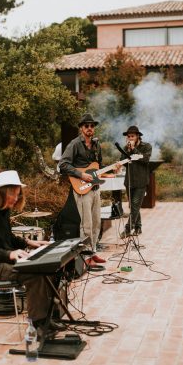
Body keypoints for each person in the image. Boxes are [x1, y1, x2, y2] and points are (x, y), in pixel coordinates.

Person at [0, 170, 63, 335]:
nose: (16, 198)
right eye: (13, 194)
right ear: (2, 192)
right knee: (34, 274)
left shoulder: (2, 211)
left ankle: (48, 318)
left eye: (18, 194)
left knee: (48, 268)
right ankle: (38, 324)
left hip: (1, 262)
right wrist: (9, 255)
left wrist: (29, 242)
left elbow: (9, 237)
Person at [59, 113, 106, 264]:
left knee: (96, 222)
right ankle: (85, 257)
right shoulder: (74, 144)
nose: (90, 128)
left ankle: (92, 252)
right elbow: (63, 164)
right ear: (81, 128)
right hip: (81, 189)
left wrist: (113, 170)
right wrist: (81, 175)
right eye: (87, 126)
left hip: (95, 188)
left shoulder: (97, 145)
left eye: (92, 126)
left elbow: (99, 166)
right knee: (85, 224)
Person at [118, 125, 152, 237]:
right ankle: (138, 227)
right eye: (128, 136)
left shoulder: (146, 146)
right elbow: (122, 161)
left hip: (141, 182)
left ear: (138, 136)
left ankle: (128, 229)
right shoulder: (125, 147)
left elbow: (145, 159)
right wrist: (127, 150)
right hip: (129, 181)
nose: (130, 138)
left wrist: (134, 150)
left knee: (135, 204)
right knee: (133, 206)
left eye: (132, 136)